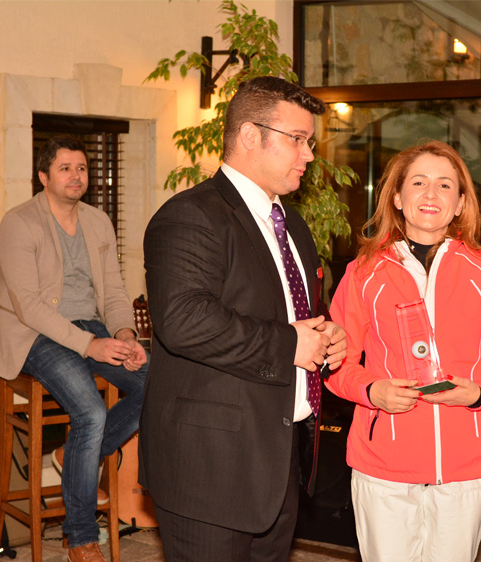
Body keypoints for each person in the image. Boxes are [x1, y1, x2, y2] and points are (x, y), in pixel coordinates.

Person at [140, 76, 347, 562]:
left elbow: (293, 312)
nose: (309, 155)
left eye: (310, 142)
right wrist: (290, 344)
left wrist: (326, 332)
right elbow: (184, 320)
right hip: (211, 467)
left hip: (278, 458)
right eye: (297, 139)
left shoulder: (292, 224)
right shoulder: (190, 215)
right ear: (251, 135)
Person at [325, 141, 481, 562]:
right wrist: (372, 391)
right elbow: (335, 361)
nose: (431, 193)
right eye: (418, 183)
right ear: (398, 198)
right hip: (383, 463)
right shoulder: (363, 273)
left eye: (445, 185)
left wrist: (480, 392)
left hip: (469, 464)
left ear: (460, 204)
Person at [0, 136, 148, 562]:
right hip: (33, 335)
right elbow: (29, 307)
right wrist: (90, 345)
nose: (76, 175)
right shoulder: (19, 223)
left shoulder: (98, 221)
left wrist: (125, 334)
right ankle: (80, 538)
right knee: (91, 413)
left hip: (90, 328)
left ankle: (74, 454)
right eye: (65, 168)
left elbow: (113, 290)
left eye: (81, 168)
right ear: (43, 176)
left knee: (156, 384)